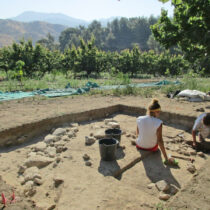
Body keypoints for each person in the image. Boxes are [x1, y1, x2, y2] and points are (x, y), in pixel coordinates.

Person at [136, 98, 173, 163]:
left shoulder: (139, 119)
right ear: (157, 111)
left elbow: (137, 133)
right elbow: (160, 141)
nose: (160, 113)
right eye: (159, 112)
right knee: (156, 144)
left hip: (139, 145)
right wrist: (166, 158)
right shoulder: (158, 122)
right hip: (151, 148)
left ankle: (142, 143)